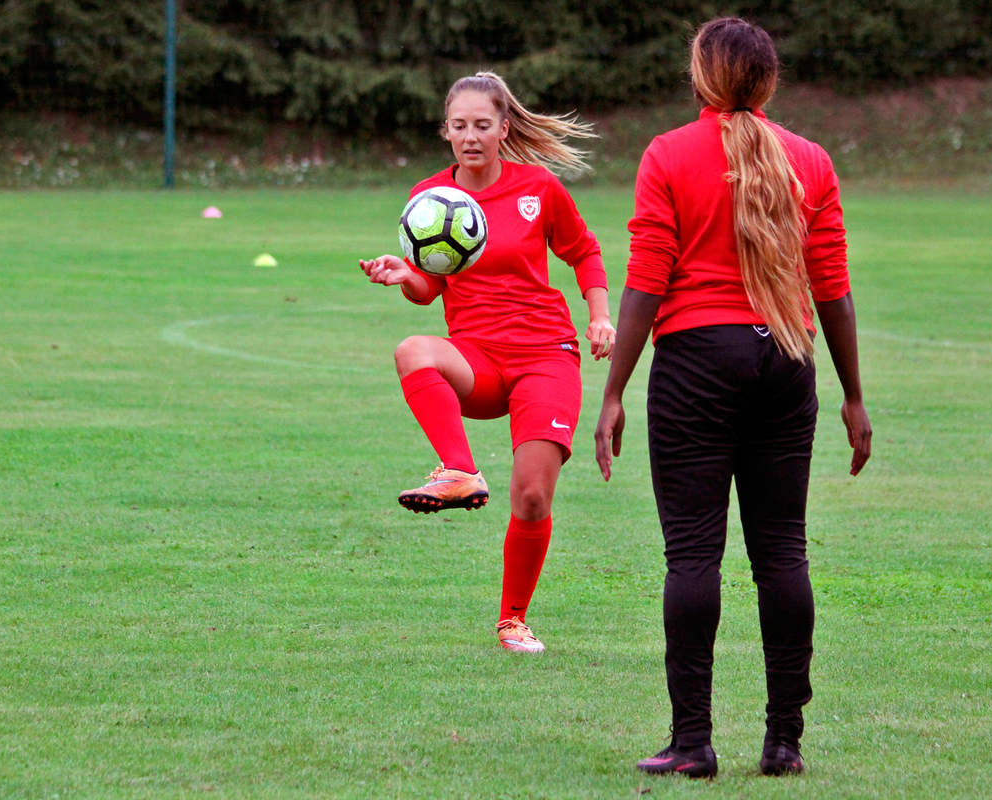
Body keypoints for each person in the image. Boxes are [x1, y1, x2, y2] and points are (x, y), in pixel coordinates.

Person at [593, 18, 872, 778]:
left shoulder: (668, 154)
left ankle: (692, 744)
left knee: (693, 557)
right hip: (789, 358)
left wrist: (613, 390)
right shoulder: (810, 160)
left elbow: (648, 279)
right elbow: (834, 290)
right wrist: (852, 396)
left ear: (700, 80)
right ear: (769, 82)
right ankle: (784, 744)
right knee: (782, 552)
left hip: (696, 363)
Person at [360, 72, 615, 654]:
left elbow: (583, 250)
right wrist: (405, 277)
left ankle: (512, 620)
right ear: (445, 131)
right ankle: (460, 470)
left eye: (482, 125)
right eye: (459, 126)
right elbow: (429, 288)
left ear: (503, 128)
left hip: (546, 356)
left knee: (531, 496)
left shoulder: (539, 188)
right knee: (412, 348)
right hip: (477, 358)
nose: (470, 136)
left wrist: (600, 315)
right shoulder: (427, 198)